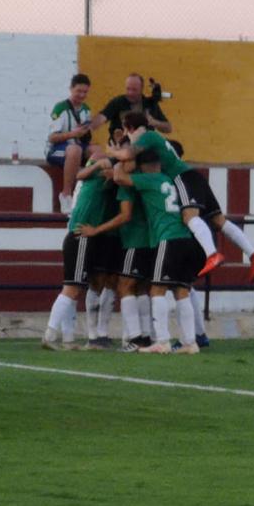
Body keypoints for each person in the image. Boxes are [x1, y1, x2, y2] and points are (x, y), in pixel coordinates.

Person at [109, 111, 254, 281]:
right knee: (219, 221)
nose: (125, 135)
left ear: (130, 127)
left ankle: (212, 254)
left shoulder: (146, 136)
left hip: (182, 177)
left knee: (188, 217)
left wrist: (112, 151)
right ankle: (253, 254)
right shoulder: (153, 137)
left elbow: (127, 156)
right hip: (193, 175)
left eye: (125, 130)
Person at [111, 149, 203, 354]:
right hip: (186, 237)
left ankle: (162, 341)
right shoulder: (172, 180)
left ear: (144, 166)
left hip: (167, 237)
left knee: (157, 289)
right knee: (181, 290)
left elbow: (119, 177)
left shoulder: (149, 179)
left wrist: (119, 158)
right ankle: (190, 342)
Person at [42, 149, 115, 350]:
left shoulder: (87, 180)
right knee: (72, 289)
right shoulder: (98, 179)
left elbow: (81, 174)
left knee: (75, 288)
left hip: (77, 234)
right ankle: (49, 335)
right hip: (82, 235)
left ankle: (67, 337)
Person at [74, 152, 122, 349]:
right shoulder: (100, 159)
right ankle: (92, 334)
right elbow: (81, 174)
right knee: (96, 281)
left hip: (115, 233)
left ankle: (103, 332)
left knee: (112, 281)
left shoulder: (125, 167)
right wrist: (97, 166)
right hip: (97, 231)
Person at [46, 73, 96, 215]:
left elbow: (86, 138)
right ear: (71, 89)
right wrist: (73, 134)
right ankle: (66, 194)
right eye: (78, 91)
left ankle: (90, 193)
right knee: (75, 150)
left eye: (85, 92)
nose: (81, 95)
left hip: (77, 146)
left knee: (97, 151)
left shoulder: (86, 110)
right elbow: (52, 137)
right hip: (57, 150)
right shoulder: (61, 108)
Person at [91, 73, 173, 144]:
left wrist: (154, 122)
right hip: (121, 145)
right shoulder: (118, 102)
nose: (130, 93)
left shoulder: (149, 104)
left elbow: (168, 128)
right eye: (128, 89)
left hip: (144, 146)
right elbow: (102, 117)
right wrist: (88, 127)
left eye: (134, 90)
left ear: (141, 89)